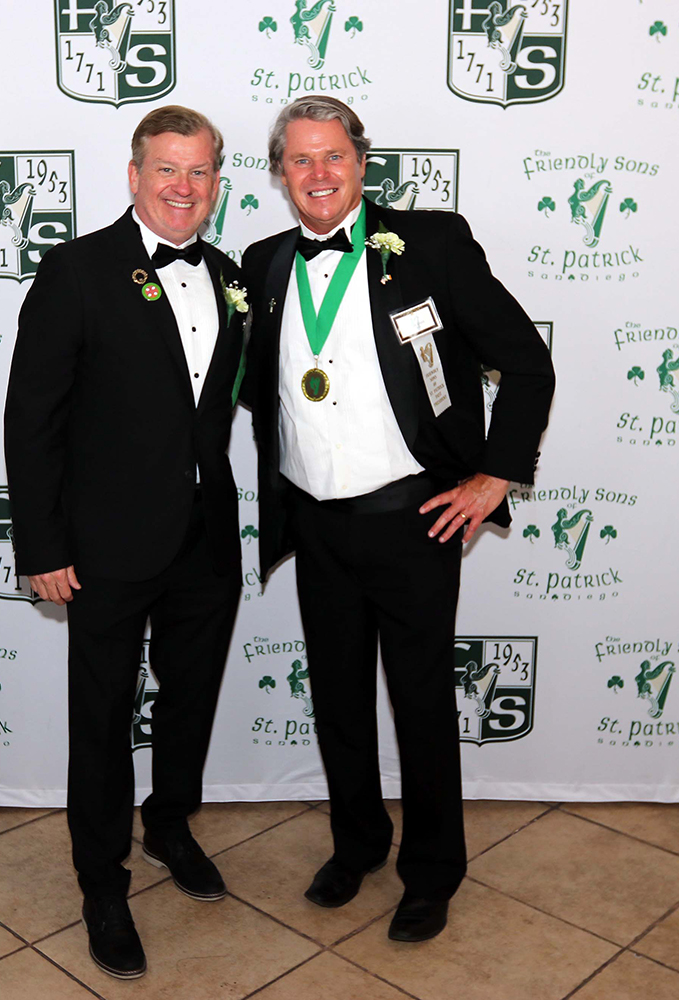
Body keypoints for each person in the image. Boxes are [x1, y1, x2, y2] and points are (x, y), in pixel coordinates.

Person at [241, 96, 554, 943]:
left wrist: (493, 475)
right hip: (315, 523)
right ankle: (356, 845)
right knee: (337, 701)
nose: (317, 173)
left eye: (332, 156)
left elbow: (526, 364)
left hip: (414, 521)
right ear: (278, 173)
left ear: (360, 161)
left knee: (419, 704)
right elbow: (256, 390)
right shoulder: (263, 264)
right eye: (300, 159)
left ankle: (431, 871)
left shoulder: (431, 244)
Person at [4, 106, 246, 980]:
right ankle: (100, 881)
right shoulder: (75, 270)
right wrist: (42, 545)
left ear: (216, 182)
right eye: (167, 169)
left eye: (200, 171)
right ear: (135, 175)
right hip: (104, 542)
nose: (184, 187)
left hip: (205, 537)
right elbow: (32, 419)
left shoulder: (229, 276)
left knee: (190, 698)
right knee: (103, 716)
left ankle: (169, 826)